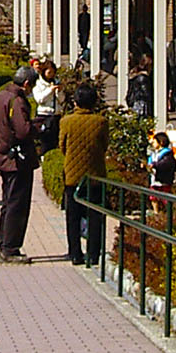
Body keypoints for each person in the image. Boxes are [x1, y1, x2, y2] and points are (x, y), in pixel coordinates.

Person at [0, 65, 40, 264]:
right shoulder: (17, 101)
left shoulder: (2, 95)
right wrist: (38, 126)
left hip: (3, 156)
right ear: (26, 83)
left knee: (7, 203)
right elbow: (22, 131)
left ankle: (3, 245)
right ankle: (10, 248)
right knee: (17, 204)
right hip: (17, 160)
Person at [58, 82, 107, 266]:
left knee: (73, 215)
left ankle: (75, 254)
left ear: (76, 102)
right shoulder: (101, 122)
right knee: (95, 214)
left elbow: (62, 146)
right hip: (95, 174)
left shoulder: (66, 121)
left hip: (72, 175)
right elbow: (104, 145)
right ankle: (94, 254)